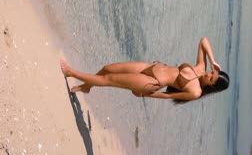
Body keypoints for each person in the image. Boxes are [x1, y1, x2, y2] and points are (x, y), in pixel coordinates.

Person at [60, 37, 229, 101]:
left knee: (108, 80)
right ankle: (88, 86)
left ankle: (71, 72)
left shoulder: (195, 92)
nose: (208, 74)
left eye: (211, 78)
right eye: (212, 72)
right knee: (107, 69)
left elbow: (169, 95)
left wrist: (147, 95)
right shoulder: (201, 67)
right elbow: (203, 41)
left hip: (152, 82)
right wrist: (213, 61)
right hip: (151, 66)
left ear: (211, 86)